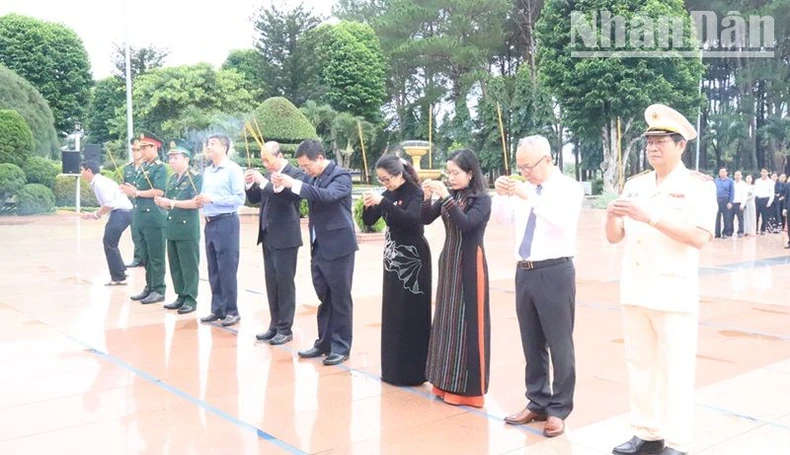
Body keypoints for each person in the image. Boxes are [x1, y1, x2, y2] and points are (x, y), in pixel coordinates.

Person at [606, 104, 716, 455]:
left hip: (673, 293)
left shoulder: (698, 186)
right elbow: (615, 236)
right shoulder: (635, 184)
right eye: (649, 142)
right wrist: (611, 216)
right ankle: (646, 432)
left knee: (676, 372)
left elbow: (699, 236)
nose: (653, 148)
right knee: (640, 366)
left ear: (681, 145)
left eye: (661, 142)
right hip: (636, 289)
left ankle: (679, 441)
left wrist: (650, 215)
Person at [493, 135, 583, 437]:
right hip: (525, 270)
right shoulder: (524, 189)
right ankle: (537, 399)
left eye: (528, 167)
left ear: (547, 159)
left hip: (555, 269)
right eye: (520, 167)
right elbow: (501, 220)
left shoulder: (569, 188)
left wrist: (528, 195)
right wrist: (503, 195)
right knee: (531, 341)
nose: (524, 173)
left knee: (559, 342)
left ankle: (559, 408)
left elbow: (561, 221)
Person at [272, 139, 358, 366]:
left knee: (340, 298)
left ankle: (341, 346)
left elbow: (326, 196)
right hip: (318, 245)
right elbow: (299, 194)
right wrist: (279, 183)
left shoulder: (341, 176)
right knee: (324, 296)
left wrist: (295, 183)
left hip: (339, 245)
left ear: (319, 158)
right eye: (301, 168)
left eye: (306, 166)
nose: (304, 171)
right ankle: (324, 342)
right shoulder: (312, 177)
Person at [421, 148, 491, 408]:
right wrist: (427, 197)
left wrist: (446, 196)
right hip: (449, 262)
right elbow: (425, 218)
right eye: (448, 172)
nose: (450, 177)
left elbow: (467, 224)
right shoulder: (456, 196)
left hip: (470, 264)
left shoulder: (482, 199)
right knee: (448, 323)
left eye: (456, 173)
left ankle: (469, 390)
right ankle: (444, 382)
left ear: (470, 173)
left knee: (467, 324)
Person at [362, 154, 432, 386]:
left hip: (413, 257)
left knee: (411, 312)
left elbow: (412, 219)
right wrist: (370, 204)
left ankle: (413, 371)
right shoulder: (388, 194)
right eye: (381, 180)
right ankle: (392, 369)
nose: (385, 184)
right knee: (393, 310)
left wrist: (384, 203)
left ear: (399, 174)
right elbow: (371, 219)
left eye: (387, 179)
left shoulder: (415, 192)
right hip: (393, 257)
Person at [245, 141, 305, 345]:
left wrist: (263, 182)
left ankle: (285, 328)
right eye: (262, 160)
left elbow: (288, 198)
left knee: (285, 283)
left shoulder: (294, 174)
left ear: (279, 155)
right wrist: (250, 183)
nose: (266, 163)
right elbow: (256, 198)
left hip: (286, 236)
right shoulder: (267, 175)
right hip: (268, 234)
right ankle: (274, 324)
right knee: (271, 282)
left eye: (267, 159)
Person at [196, 133, 246, 327]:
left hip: (227, 222)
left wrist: (213, 200)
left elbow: (239, 198)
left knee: (227, 268)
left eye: (213, 144)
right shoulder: (208, 171)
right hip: (210, 222)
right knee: (213, 268)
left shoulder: (233, 169)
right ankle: (217, 309)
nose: (209, 148)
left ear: (224, 148)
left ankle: (232, 310)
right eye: (208, 144)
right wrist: (202, 200)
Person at [154, 141, 202, 314]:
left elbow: (196, 203)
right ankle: (180, 295)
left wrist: (171, 203)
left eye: (175, 157)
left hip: (187, 227)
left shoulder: (194, 177)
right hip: (172, 226)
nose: (172, 161)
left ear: (186, 159)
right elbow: (170, 201)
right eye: (170, 158)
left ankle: (190, 298)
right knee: (175, 264)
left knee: (189, 264)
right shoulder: (172, 178)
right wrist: (163, 203)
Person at [120, 132, 168, 304]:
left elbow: (159, 191)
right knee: (146, 256)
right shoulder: (144, 168)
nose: (141, 151)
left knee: (156, 256)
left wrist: (137, 192)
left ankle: (159, 289)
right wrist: (130, 190)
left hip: (154, 218)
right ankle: (149, 286)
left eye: (144, 147)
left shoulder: (159, 168)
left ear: (154, 147)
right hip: (141, 217)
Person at [80, 160, 133, 285]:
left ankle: (118, 278)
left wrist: (96, 214)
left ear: (89, 170)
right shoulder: (99, 181)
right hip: (123, 212)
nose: (81, 173)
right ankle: (121, 271)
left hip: (121, 212)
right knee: (111, 242)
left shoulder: (99, 183)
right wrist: (94, 214)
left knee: (109, 242)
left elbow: (110, 204)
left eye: (82, 170)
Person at [123, 139, 145, 268]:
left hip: (145, 204)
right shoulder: (128, 168)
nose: (135, 153)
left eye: (138, 149)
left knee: (146, 234)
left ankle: (146, 257)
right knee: (135, 233)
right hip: (132, 205)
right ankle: (138, 258)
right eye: (133, 150)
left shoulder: (148, 167)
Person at [714, 167, 734, 238]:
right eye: (720, 172)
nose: (722, 173)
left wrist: (730, 202)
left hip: (726, 200)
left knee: (727, 218)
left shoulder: (730, 181)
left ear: (726, 173)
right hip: (717, 200)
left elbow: (732, 192)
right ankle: (717, 233)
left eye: (723, 172)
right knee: (717, 218)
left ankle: (725, 233)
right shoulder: (716, 181)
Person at [753, 169, 773, 234]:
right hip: (757, 199)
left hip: (765, 199)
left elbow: (772, 193)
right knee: (756, 215)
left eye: (765, 172)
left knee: (764, 216)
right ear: (761, 173)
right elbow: (755, 191)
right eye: (762, 172)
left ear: (767, 173)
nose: (764, 173)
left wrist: (769, 202)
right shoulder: (757, 181)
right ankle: (755, 229)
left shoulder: (770, 182)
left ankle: (763, 230)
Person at [731, 170, 747, 237]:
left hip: (739, 204)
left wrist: (742, 204)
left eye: (738, 175)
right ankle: (730, 232)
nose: (737, 176)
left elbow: (745, 195)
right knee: (730, 219)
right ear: (734, 176)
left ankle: (740, 232)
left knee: (740, 219)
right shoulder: (732, 183)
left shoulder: (743, 184)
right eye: (736, 175)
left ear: (741, 176)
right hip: (732, 203)